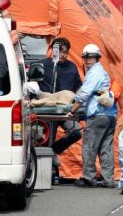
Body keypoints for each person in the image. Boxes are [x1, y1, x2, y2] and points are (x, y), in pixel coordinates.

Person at [68, 43, 117, 188]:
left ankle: (89, 178)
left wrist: (73, 110)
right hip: (110, 115)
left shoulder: (94, 73)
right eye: (86, 57)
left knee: (89, 146)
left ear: (97, 58)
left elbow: (84, 93)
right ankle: (108, 180)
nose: (88, 60)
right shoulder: (102, 71)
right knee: (106, 148)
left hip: (98, 115)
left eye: (91, 57)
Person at [38, 37, 82, 168]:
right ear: (52, 50)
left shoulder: (72, 67)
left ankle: (54, 150)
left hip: (65, 110)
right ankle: (46, 170)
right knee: (44, 138)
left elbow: (78, 86)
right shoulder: (42, 65)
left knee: (76, 131)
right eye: (59, 51)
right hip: (46, 111)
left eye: (65, 52)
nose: (62, 54)